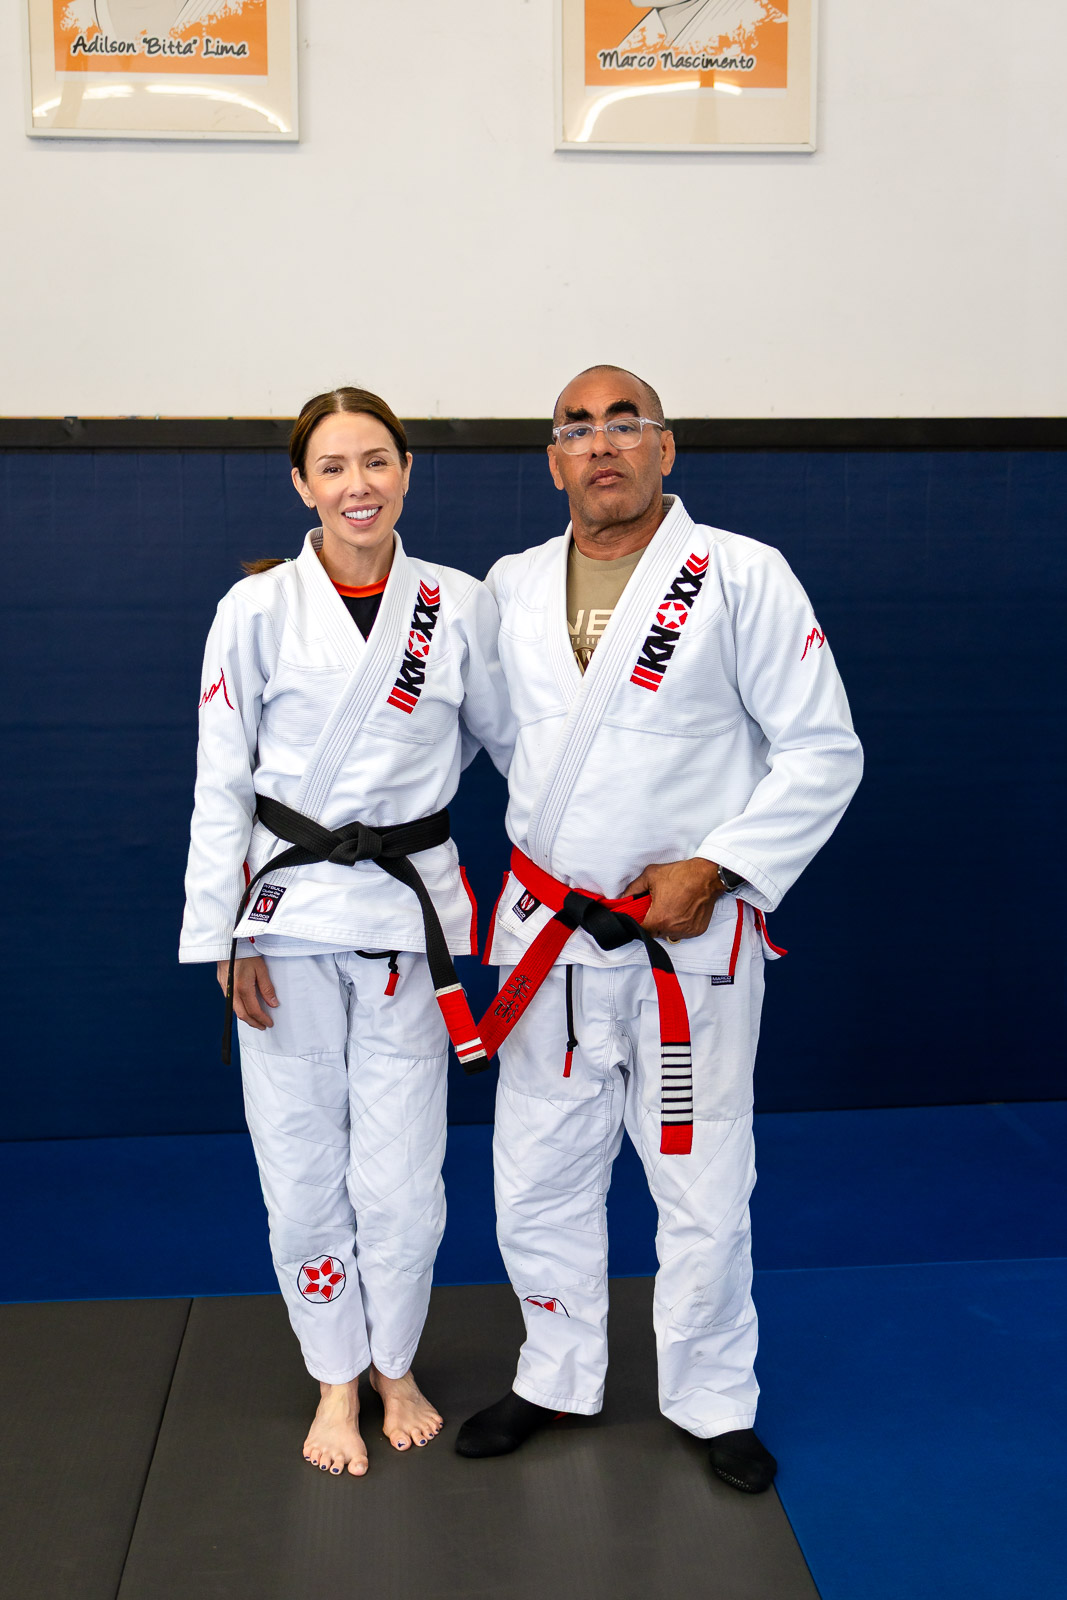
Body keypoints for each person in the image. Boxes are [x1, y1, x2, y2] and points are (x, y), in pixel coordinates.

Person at [455, 365, 862, 1492]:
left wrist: (715, 867)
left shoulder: (740, 575)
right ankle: (554, 1373)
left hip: (690, 938)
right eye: (577, 428)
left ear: (664, 448)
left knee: (700, 1176)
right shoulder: (509, 587)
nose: (602, 444)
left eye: (624, 423)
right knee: (536, 1171)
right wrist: (317, 620)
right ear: (553, 460)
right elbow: (447, 711)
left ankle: (711, 1397)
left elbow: (823, 748)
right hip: (552, 938)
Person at [180, 386, 514, 1477]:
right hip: (284, 922)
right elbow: (221, 782)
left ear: (407, 470)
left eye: (375, 460)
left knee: (405, 1176)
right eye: (332, 466)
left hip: (406, 917)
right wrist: (221, 934)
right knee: (298, 1161)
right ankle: (334, 1373)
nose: (356, 485)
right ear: (301, 485)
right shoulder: (257, 609)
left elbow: (514, 746)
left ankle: (393, 1363)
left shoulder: (458, 605)